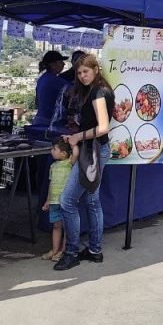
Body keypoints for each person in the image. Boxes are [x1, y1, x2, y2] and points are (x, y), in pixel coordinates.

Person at [54, 54, 113, 272]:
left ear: (96, 69)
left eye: (85, 71)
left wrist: (78, 137)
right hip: (96, 149)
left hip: (93, 151)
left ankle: (71, 253)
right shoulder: (97, 90)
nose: (82, 76)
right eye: (79, 73)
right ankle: (95, 250)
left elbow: (103, 127)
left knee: (67, 201)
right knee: (91, 200)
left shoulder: (99, 92)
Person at [41, 139, 77, 261]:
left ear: (64, 153)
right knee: (56, 226)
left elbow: (76, 153)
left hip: (66, 202)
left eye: (54, 149)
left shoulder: (70, 163)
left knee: (67, 227)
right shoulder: (53, 166)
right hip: (54, 201)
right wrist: (48, 200)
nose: (51, 151)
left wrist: (73, 142)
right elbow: (51, 185)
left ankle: (64, 250)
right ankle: (55, 250)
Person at [33, 51, 69, 127]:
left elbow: (37, 102)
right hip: (49, 122)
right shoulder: (56, 81)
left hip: (39, 119)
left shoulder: (42, 78)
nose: (63, 64)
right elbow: (75, 92)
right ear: (53, 65)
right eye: (60, 62)